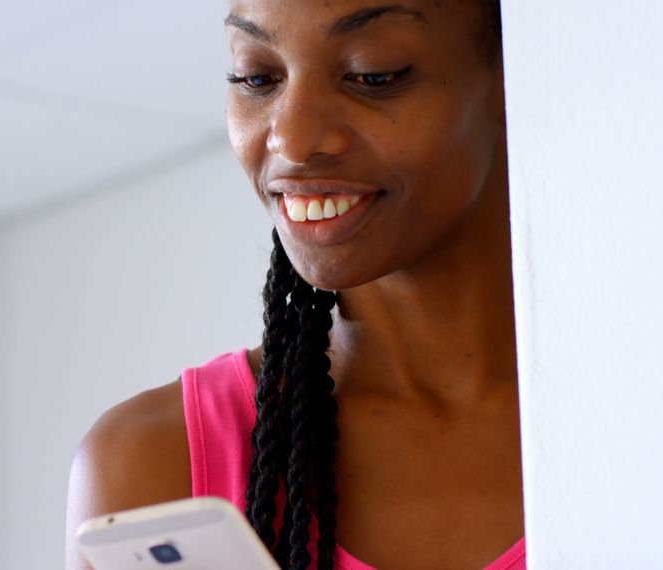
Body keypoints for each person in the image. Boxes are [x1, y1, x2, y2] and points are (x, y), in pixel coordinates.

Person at [65, 0, 524, 568]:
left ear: (516, 72)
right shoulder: (155, 465)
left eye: (372, 74)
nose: (292, 139)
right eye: (257, 77)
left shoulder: (633, 404)